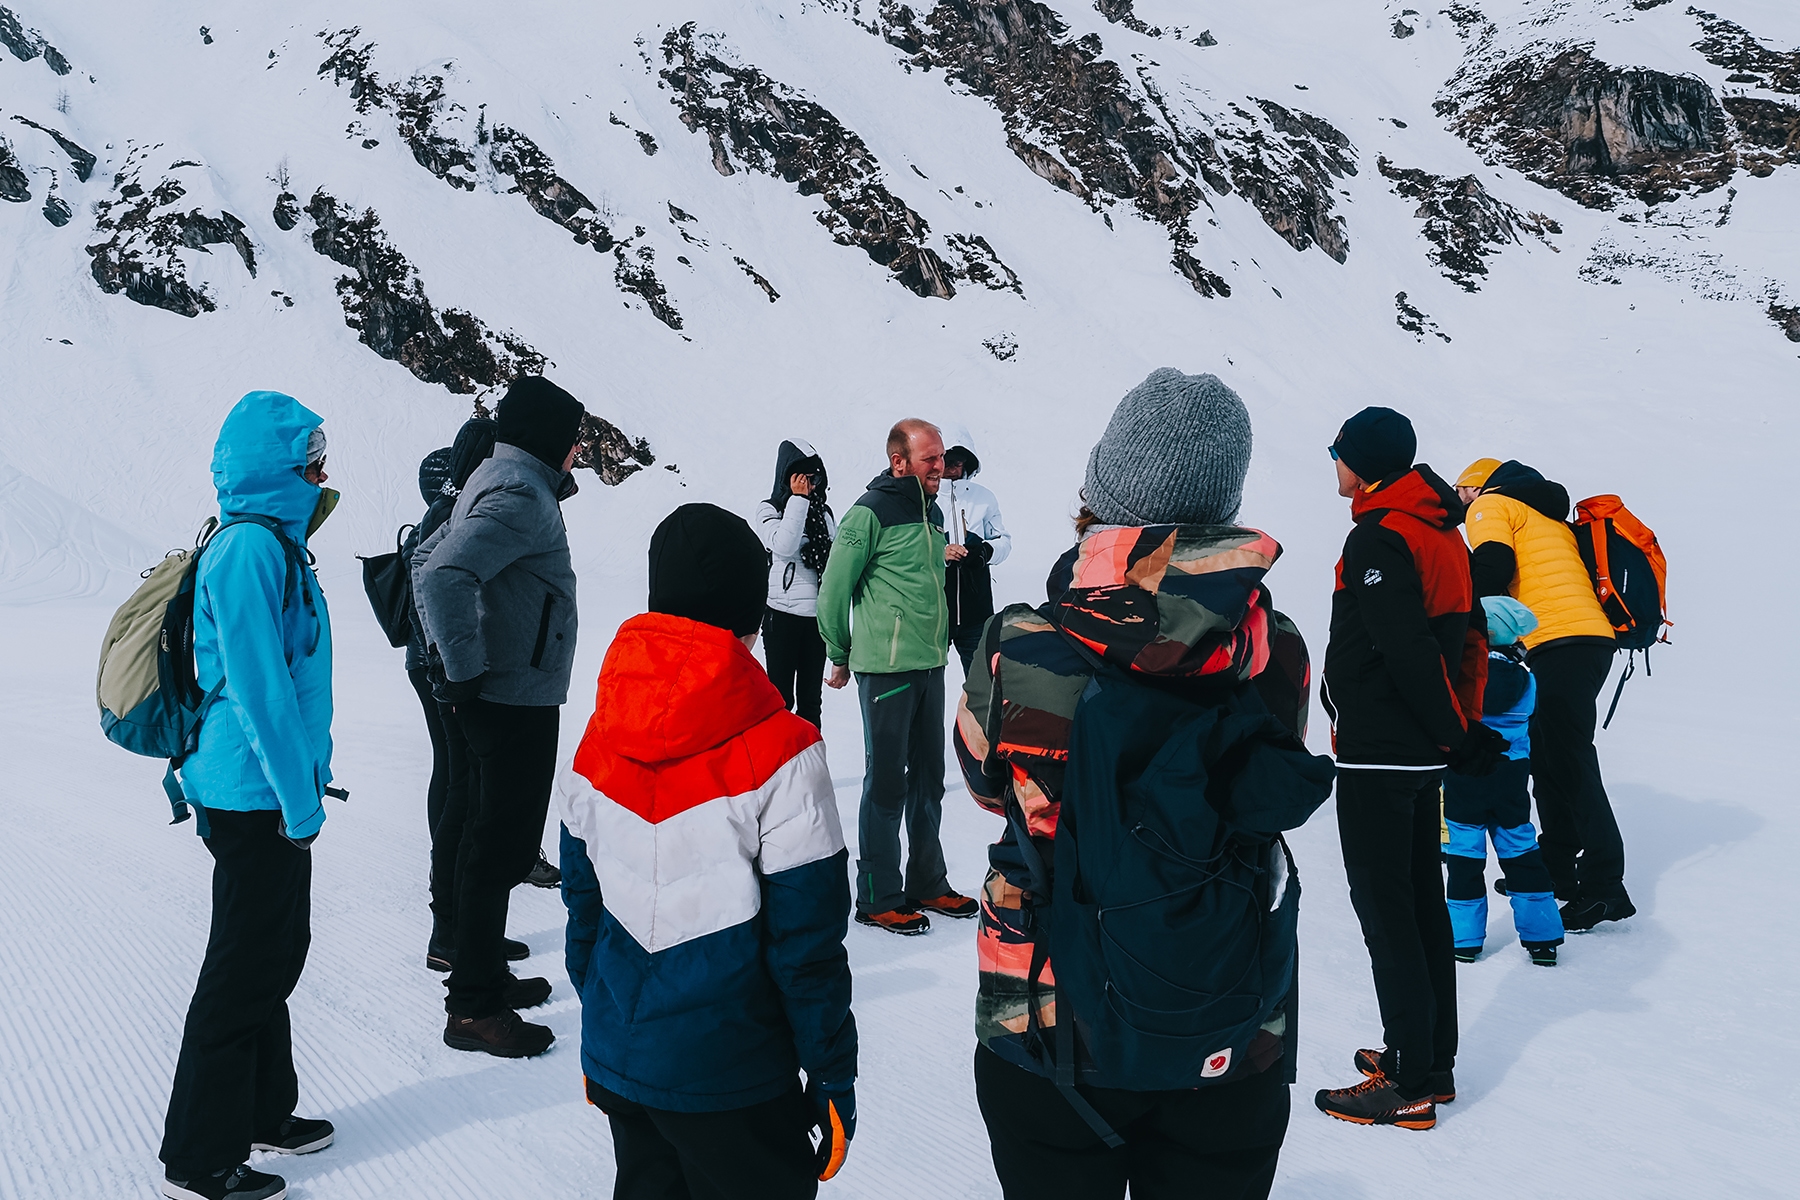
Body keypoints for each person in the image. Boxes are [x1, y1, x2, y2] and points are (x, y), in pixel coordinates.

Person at [954, 369, 1323, 1200]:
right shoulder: (1277, 647)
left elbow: (985, 780)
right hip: (1227, 1010)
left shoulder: (1024, 643)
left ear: (1105, 492)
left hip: (1049, 1016)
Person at [559, 503, 857, 1200]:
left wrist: (611, 1026)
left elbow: (584, 910)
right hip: (735, 1081)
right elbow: (806, 948)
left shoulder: (597, 738)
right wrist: (833, 1074)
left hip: (624, 1062)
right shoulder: (784, 754)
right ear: (748, 620)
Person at [160, 392, 338, 1200]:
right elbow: (263, 689)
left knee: (273, 950)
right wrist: (299, 802)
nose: (321, 467)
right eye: (311, 453)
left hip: (261, 787)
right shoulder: (248, 553)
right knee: (244, 966)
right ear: (276, 464)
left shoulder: (273, 542)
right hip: (248, 793)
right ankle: (197, 1155)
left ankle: (266, 1110)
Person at [1314, 406, 1506, 1131]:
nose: (1332, 463)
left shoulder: (1382, 534)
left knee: (1387, 911)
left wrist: (1454, 734)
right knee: (1420, 901)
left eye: (1337, 452)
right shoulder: (1440, 534)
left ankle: (1407, 1082)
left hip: (1381, 751)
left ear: (1364, 462)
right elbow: (1471, 641)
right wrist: (1462, 729)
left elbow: (1404, 651)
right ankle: (1433, 1062)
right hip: (1417, 752)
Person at [412, 375, 586, 1057]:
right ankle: (475, 1008)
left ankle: (482, 974)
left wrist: (455, 668)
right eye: (573, 437)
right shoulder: (520, 490)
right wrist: (463, 668)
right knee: (499, 849)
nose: (578, 450)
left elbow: (427, 554)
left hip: (508, 688)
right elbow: (440, 575)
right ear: (548, 435)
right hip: (510, 694)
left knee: (489, 841)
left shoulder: (498, 477)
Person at [817, 419, 975, 935]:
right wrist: (838, 651)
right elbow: (835, 588)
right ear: (899, 461)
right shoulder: (870, 512)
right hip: (886, 670)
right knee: (886, 784)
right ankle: (877, 895)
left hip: (930, 663)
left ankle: (927, 881)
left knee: (929, 781)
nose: (939, 467)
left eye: (942, 457)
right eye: (929, 459)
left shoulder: (929, 514)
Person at [1465, 459, 1631, 930]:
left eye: (1460, 489)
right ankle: (1557, 867)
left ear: (1477, 487)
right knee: (1549, 755)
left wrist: (1451, 611)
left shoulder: (1492, 505)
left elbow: (1492, 568)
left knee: (1571, 758)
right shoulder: (1545, 515)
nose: (1458, 502)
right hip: (1588, 642)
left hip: (1558, 643)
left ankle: (1604, 888)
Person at [403, 420, 543, 975]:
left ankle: (466, 929)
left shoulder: (457, 506)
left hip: (441, 664)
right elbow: (437, 580)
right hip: (449, 669)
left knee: (462, 783)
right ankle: (454, 929)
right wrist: (453, 660)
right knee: (465, 789)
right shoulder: (467, 511)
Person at [1442, 595, 1566, 967]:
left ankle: (1463, 939)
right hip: (1510, 779)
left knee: (1464, 859)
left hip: (1465, 777)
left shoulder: (1463, 675)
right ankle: (1542, 938)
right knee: (1522, 853)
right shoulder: (1527, 680)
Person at [756, 439, 837, 728]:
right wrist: (798, 500)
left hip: (816, 619)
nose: (810, 485)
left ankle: (809, 768)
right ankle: (777, 767)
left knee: (810, 702)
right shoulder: (769, 510)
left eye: (815, 479)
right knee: (779, 699)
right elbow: (783, 543)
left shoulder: (824, 515)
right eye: (803, 478)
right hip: (782, 616)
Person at [938, 426, 1012, 675]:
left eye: (959, 461)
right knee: (927, 682)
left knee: (983, 681)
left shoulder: (983, 498)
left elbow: (1004, 540)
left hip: (976, 611)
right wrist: (941, 553)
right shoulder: (924, 497)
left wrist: (984, 552)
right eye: (947, 459)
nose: (952, 468)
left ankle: (981, 715)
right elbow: (911, 546)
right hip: (935, 610)